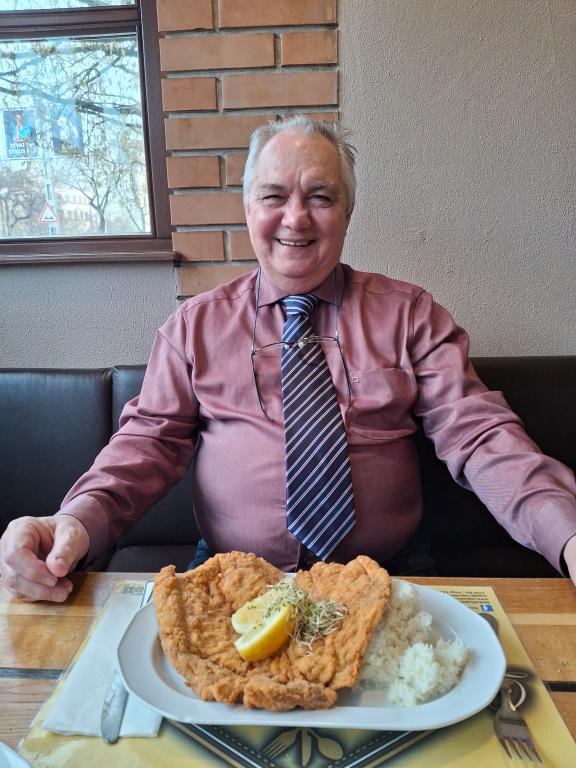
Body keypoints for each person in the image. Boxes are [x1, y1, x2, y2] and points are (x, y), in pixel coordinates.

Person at [2, 115, 576, 602]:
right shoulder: (192, 328)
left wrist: (567, 533)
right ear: (248, 209)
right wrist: (74, 521)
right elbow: (147, 443)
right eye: (274, 196)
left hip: (387, 574)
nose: (296, 218)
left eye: (320, 197)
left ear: (347, 212)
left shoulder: (411, 315)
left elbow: (479, 434)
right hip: (232, 576)